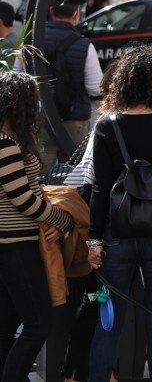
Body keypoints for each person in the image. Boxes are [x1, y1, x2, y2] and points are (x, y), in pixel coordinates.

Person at [86, 46, 152, 382]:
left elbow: (100, 188)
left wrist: (93, 240)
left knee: (110, 319)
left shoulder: (107, 125)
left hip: (118, 230)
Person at [0, 71, 76, 380]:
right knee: (39, 323)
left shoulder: (8, 139)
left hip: (14, 243)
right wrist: (64, 220)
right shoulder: (5, 144)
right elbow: (23, 199)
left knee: (8, 322)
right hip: (14, 245)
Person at [39, 0, 103, 168]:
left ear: (51, 11)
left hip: (41, 118)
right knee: (74, 180)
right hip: (74, 121)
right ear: (75, 14)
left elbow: (19, 75)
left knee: (41, 178)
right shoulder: (84, 45)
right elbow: (95, 87)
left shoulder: (33, 41)